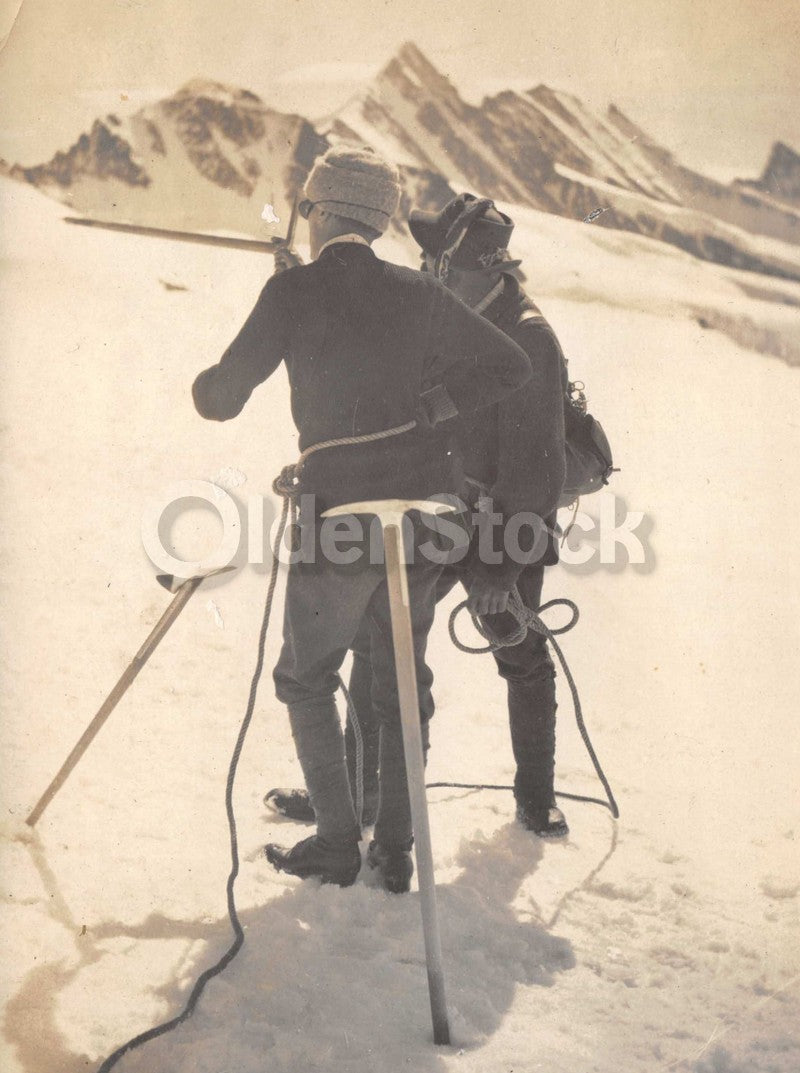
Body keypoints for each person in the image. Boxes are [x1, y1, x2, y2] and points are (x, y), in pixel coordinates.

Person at [192, 152, 532, 890]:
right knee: (398, 681)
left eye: (310, 208)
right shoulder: (422, 290)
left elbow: (221, 398)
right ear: (379, 220)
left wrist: (219, 370)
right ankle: (397, 848)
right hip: (426, 521)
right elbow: (509, 367)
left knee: (307, 676)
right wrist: (434, 409)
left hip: (338, 517)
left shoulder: (292, 291)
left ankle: (339, 840)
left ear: (321, 211)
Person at [267, 193, 571, 839]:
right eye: (430, 263)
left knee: (516, 648)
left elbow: (536, 465)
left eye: (446, 266)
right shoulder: (448, 313)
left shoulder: (529, 338)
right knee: (386, 653)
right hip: (434, 509)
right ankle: (361, 797)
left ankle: (536, 794)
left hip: (503, 525)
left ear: (491, 267)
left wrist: (500, 563)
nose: (433, 276)